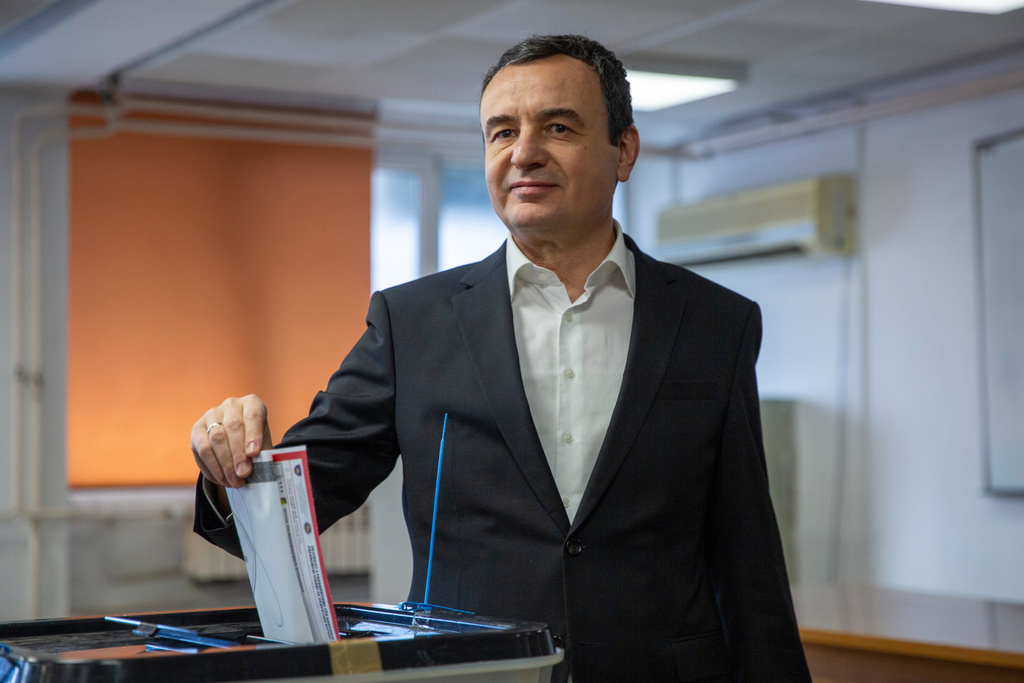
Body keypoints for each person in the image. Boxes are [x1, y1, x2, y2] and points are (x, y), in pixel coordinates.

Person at [192, 34, 811, 682]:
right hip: (470, 672)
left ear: (624, 150)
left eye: (559, 126)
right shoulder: (413, 324)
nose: (524, 153)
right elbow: (302, 500)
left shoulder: (715, 323)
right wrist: (225, 460)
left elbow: (748, 558)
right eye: (501, 132)